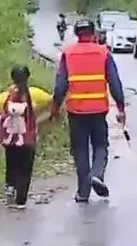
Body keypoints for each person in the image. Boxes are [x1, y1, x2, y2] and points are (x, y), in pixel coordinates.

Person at [50, 17, 127, 203]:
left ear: (77, 34)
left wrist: (55, 108)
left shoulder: (68, 54)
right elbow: (115, 83)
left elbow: (60, 86)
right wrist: (121, 107)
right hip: (99, 110)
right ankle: (97, 175)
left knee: (80, 150)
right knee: (101, 146)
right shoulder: (104, 53)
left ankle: (83, 192)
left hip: (76, 112)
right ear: (93, 33)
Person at [0, 65, 52, 209]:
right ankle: (21, 199)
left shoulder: (4, 96)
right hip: (27, 137)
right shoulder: (35, 94)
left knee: (12, 163)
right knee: (26, 167)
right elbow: (51, 101)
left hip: (10, 139)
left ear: (11, 78)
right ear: (28, 77)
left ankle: (10, 187)